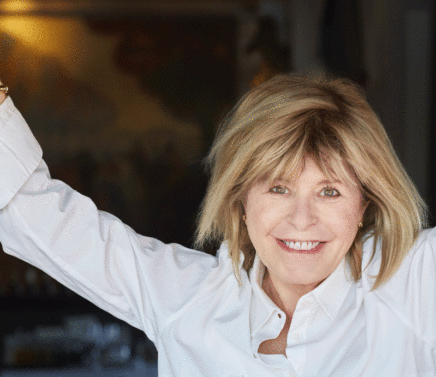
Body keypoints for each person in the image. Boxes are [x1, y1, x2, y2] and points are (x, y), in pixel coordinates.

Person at [0, 74, 434, 376]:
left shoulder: (411, 287)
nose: (302, 220)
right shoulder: (189, 299)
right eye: (279, 188)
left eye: (330, 192)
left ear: (364, 204)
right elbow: (40, 218)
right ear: (241, 198)